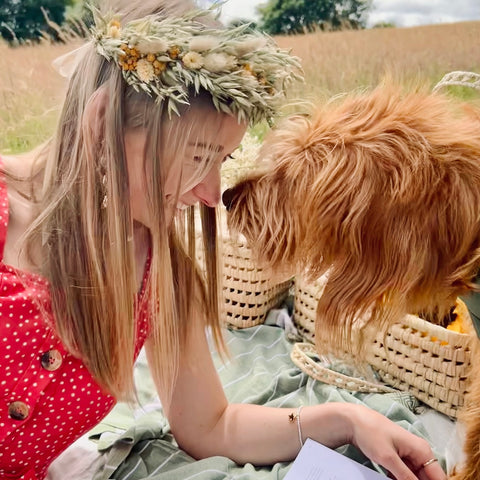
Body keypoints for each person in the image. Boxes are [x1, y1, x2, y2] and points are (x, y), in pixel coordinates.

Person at [0, 1, 446, 479]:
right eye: (197, 157)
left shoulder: (160, 271)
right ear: (102, 120)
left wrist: (347, 420)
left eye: (223, 159)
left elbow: (211, 425)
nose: (213, 194)